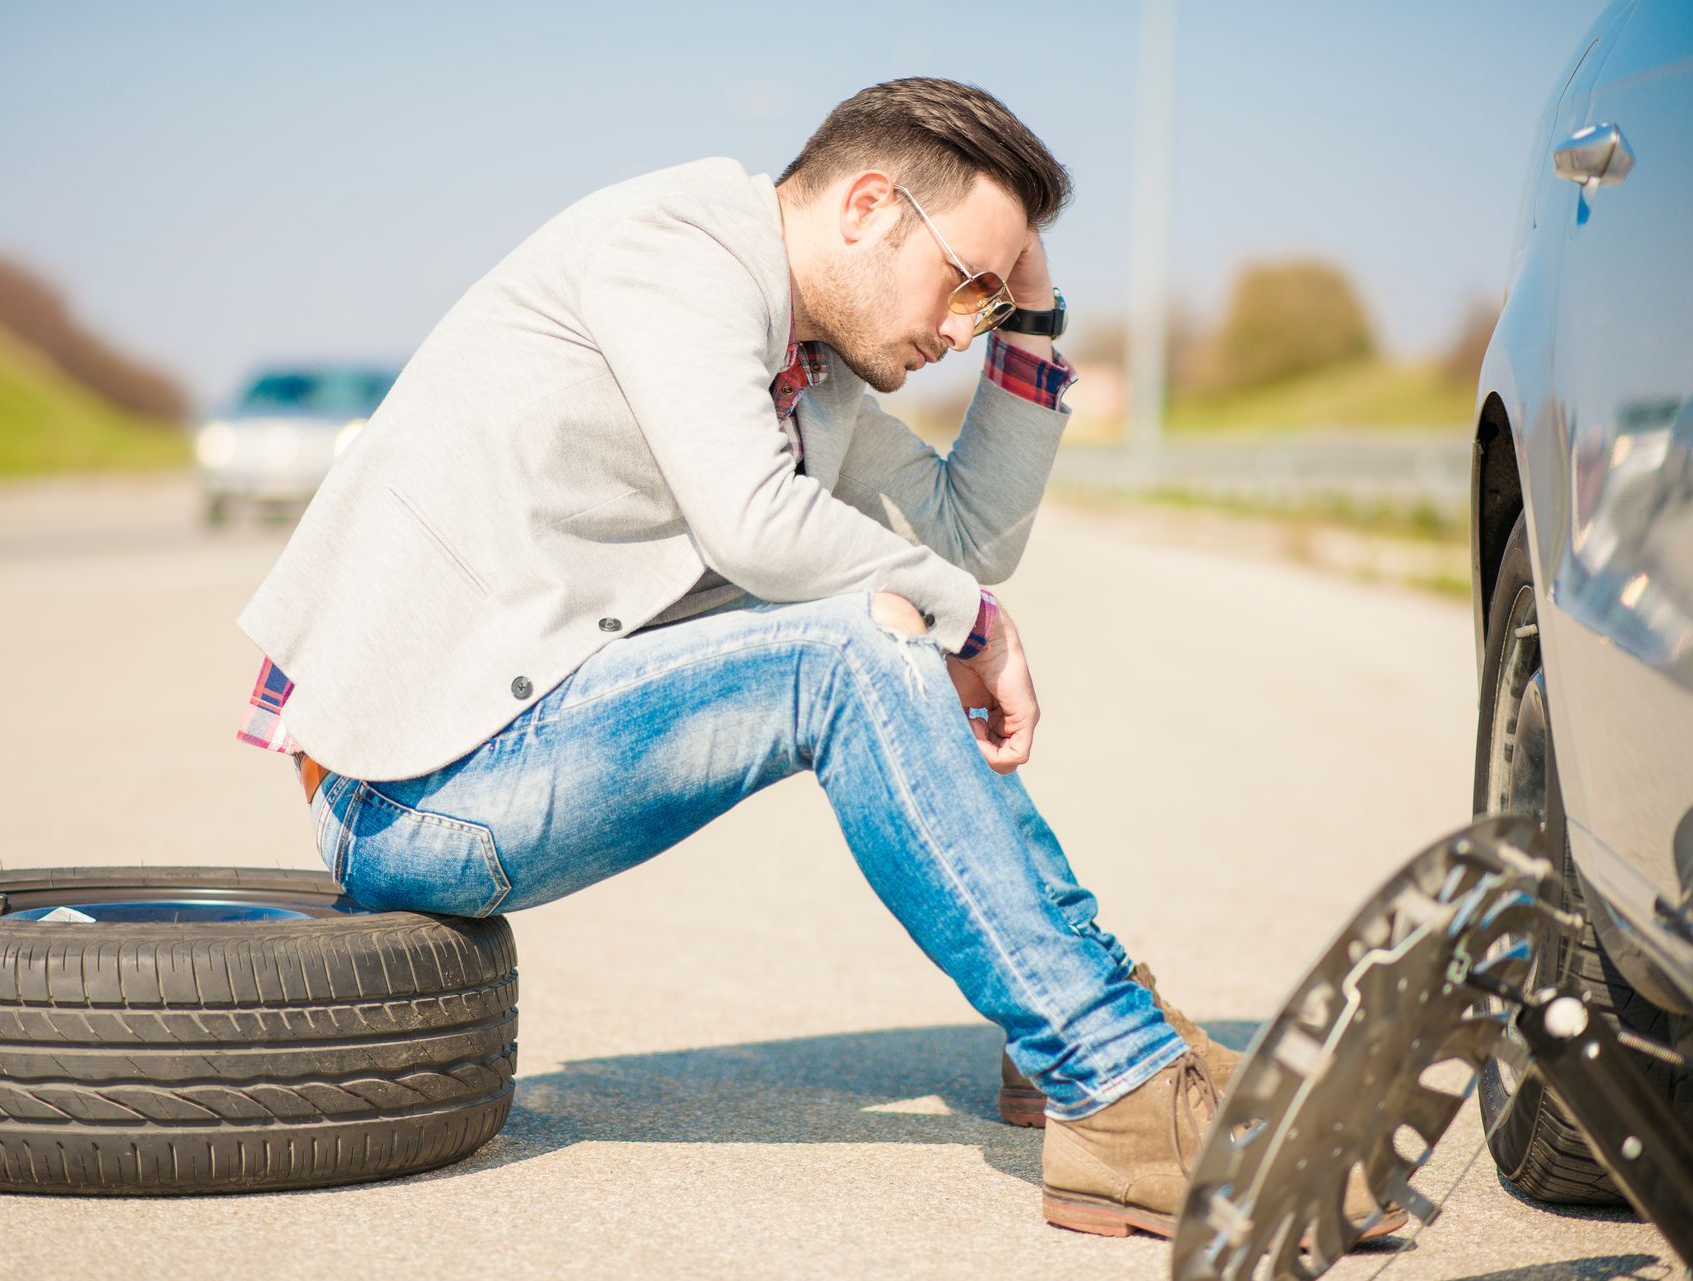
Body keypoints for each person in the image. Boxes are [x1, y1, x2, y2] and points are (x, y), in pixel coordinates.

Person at [233, 76, 1400, 1243]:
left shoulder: (814, 368)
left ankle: (1105, 1051)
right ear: (870, 208)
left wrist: (1033, 328)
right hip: (413, 789)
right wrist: (973, 624)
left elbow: (966, 539)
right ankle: (1115, 1077)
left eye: (994, 304)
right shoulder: (675, 255)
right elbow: (760, 523)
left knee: (884, 622)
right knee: (849, 651)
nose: (962, 330)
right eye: (971, 287)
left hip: (517, 746)